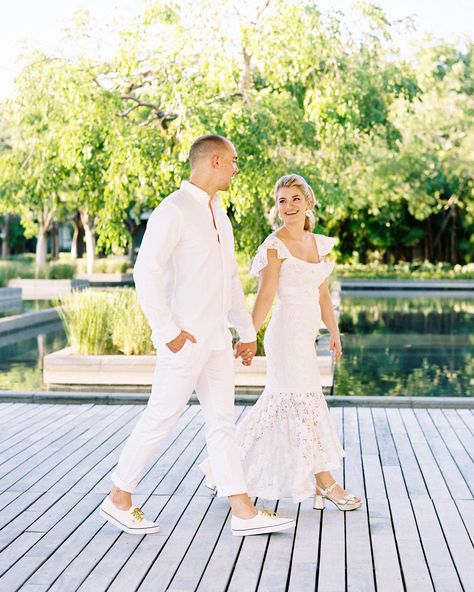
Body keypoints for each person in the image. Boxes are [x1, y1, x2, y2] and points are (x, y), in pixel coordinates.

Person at [99, 135, 295, 537]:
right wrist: (167, 331)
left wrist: (245, 330)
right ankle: (119, 496)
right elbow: (146, 272)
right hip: (184, 342)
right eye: (235, 161)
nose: (238, 168)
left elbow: (227, 280)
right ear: (217, 161)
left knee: (223, 422)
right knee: (161, 417)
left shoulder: (218, 214)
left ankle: (242, 509)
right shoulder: (173, 210)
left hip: (217, 342)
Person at [201, 174, 361, 511]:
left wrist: (333, 332)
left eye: (294, 199)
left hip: (306, 338)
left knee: (293, 405)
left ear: (308, 203)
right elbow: (265, 296)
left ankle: (228, 469)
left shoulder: (316, 243)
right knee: (303, 406)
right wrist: (249, 336)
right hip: (284, 337)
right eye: (282, 201)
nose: (288, 207)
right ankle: (327, 483)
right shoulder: (274, 247)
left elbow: (322, 295)